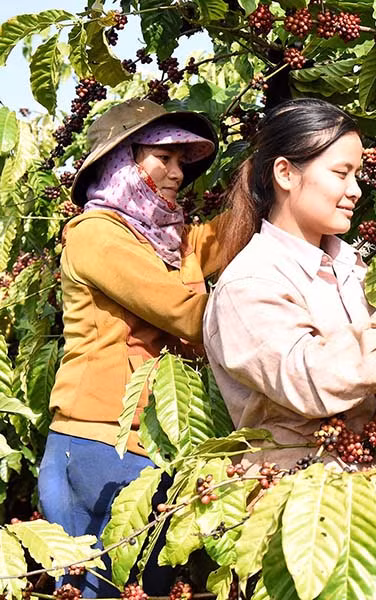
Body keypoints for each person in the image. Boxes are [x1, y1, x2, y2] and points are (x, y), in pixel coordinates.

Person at [203, 98, 376, 469]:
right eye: (340, 173)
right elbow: (313, 378)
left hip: (372, 497)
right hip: (299, 503)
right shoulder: (249, 284)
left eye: (356, 175)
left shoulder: (353, 270)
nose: (356, 191)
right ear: (285, 174)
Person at [37, 98, 225, 597]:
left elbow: (215, 240)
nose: (177, 174)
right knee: (101, 589)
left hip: (145, 444)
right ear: (121, 160)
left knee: (145, 587)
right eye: (163, 158)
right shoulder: (96, 236)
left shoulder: (158, 239)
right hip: (101, 442)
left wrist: (271, 187)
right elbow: (185, 311)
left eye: (183, 162)